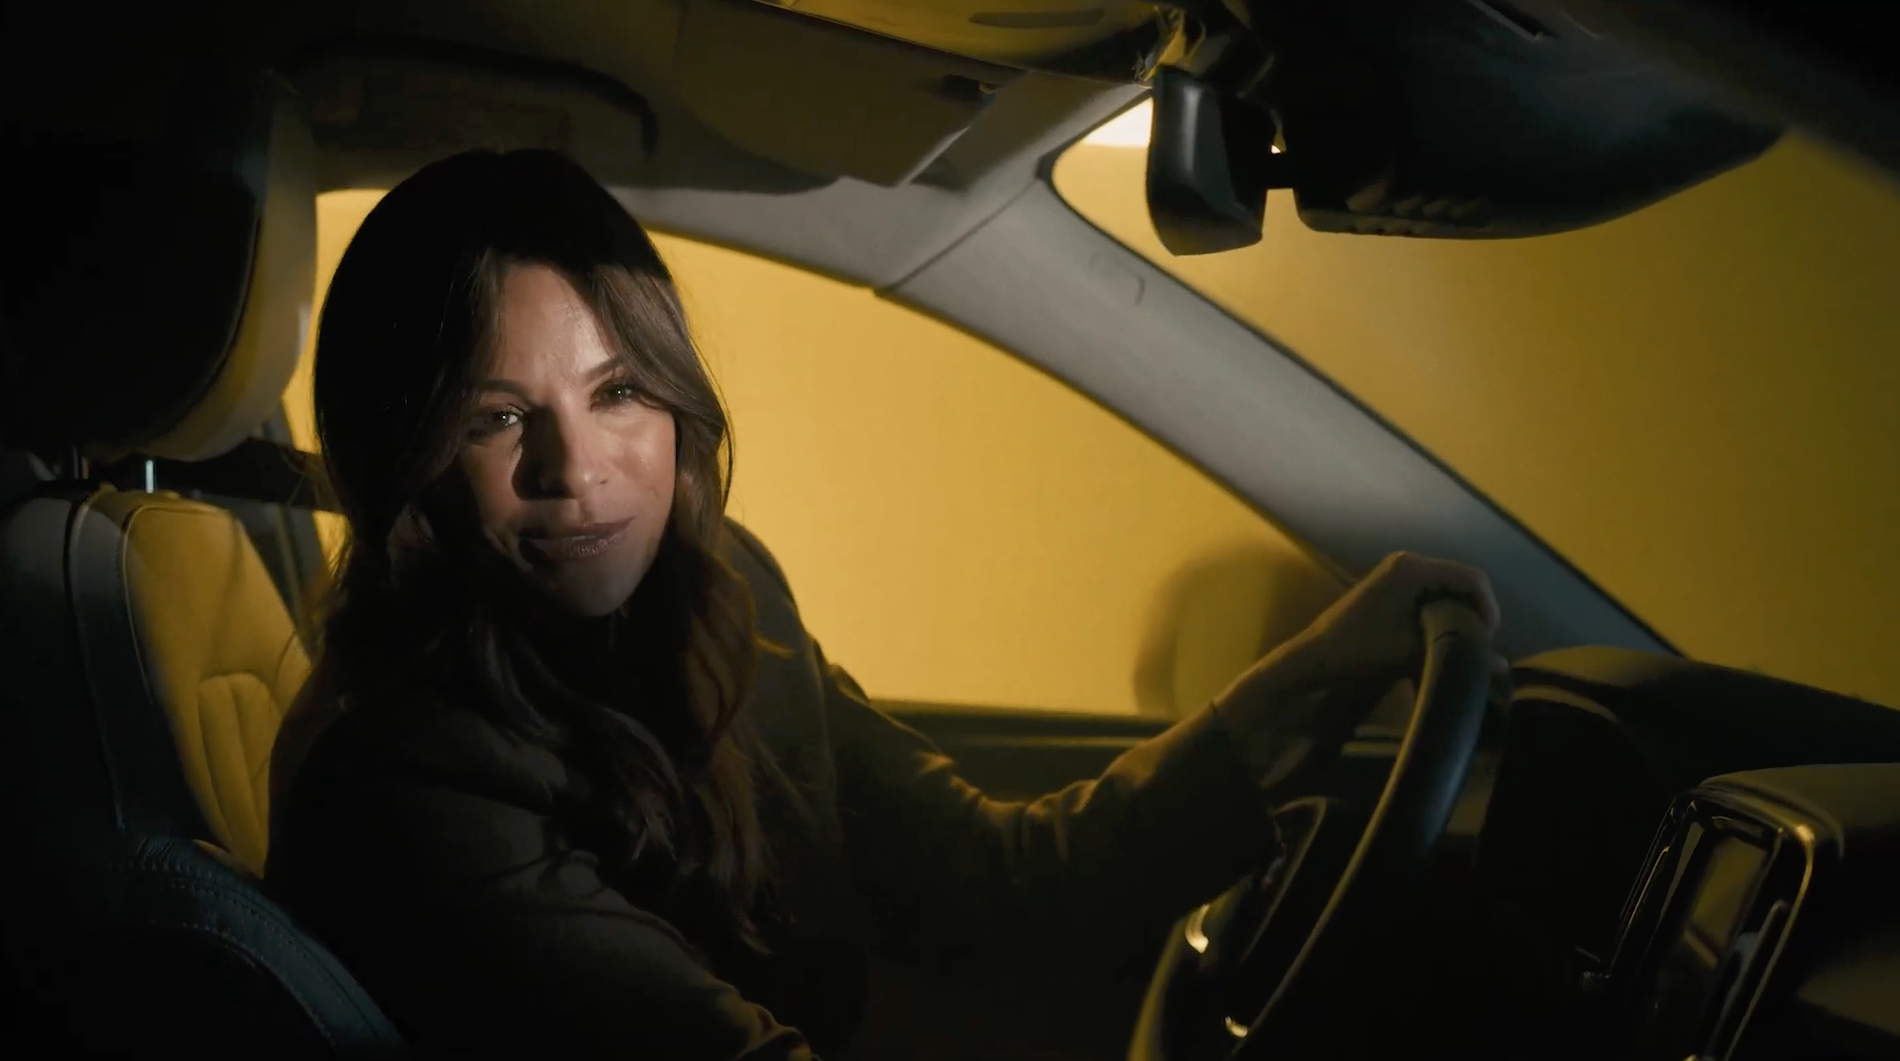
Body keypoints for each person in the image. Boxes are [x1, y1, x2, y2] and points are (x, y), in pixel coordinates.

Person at [264, 148, 1500, 1060]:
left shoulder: (723, 591)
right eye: (496, 418)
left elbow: (1000, 877)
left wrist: (1326, 668)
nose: (575, 468)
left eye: (619, 391)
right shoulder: (403, 771)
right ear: (406, 456)